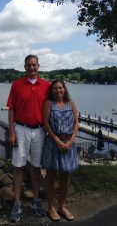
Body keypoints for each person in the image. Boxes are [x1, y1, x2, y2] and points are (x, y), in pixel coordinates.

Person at [7, 55, 51, 223]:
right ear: (24, 67)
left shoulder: (46, 86)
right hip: (21, 129)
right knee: (18, 166)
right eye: (28, 65)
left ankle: (36, 200)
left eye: (34, 65)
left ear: (38, 66)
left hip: (40, 131)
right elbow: (11, 109)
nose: (31, 68)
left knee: (36, 166)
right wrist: (11, 133)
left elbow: (52, 108)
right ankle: (17, 203)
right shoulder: (16, 85)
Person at [41, 80, 79, 222]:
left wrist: (71, 141)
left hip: (69, 144)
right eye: (55, 88)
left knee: (66, 177)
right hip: (53, 143)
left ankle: (62, 207)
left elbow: (76, 123)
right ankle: (51, 207)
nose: (58, 90)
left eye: (60, 88)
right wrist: (57, 140)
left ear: (64, 89)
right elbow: (45, 124)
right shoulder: (48, 104)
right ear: (52, 90)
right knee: (50, 176)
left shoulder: (71, 103)